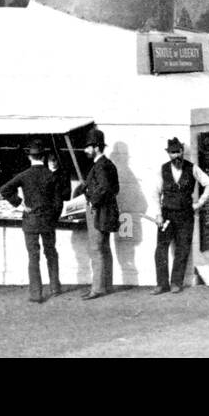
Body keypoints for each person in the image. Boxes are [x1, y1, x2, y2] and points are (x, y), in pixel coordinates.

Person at [0, 139, 63, 303]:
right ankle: (55, 287)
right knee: (51, 253)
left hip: (31, 222)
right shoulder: (51, 176)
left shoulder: (24, 175)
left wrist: (20, 203)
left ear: (30, 157)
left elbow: (4, 190)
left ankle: (36, 294)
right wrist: (53, 218)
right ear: (43, 157)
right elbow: (58, 203)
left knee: (33, 258)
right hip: (48, 221)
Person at [151, 137, 209, 294]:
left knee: (182, 248)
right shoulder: (163, 169)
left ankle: (176, 283)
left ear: (182, 151)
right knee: (161, 249)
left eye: (178, 152)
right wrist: (158, 214)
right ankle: (161, 284)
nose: (176, 155)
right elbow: (155, 192)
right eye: (172, 152)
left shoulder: (192, 168)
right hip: (166, 214)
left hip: (185, 215)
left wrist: (198, 203)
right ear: (168, 154)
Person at [73, 127, 119, 299]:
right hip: (106, 213)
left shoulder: (100, 166)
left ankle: (98, 288)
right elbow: (115, 188)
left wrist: (92, 200)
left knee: (96, 249)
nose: (85, 150)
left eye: (88, 147)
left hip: (98, 213)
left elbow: (106, 188)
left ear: (96, 147)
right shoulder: (108, 164)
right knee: (104, 249)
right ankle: (106, 285)